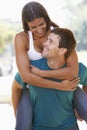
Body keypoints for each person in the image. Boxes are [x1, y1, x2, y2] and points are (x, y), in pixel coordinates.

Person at [11, 1, 81, 130]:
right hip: (33, 89)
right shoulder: (22, 38)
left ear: (46, 19)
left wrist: (42, 73)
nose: (39, 30)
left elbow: (73, 71)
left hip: (61, 92)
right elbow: (26, 77)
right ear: (26, 26)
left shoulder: (59, 35)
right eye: (33, 27)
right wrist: (60, 86)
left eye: (41, 24)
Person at [25, 27, 87, 130]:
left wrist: (80, 106)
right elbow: (16, 87)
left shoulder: (78, 69)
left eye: (51, 41)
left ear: (62, 50)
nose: (44, 43)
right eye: (47, 39)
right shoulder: (33, 67)